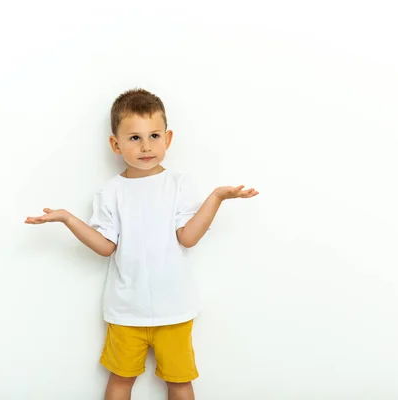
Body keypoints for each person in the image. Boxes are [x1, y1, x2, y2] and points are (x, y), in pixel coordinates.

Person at [25, 88, 258, 400]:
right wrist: (69, 219)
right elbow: (106, 246)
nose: (146, 146)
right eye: (134, 138)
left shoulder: (179, 184)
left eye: (154, 136)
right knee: (120, 381)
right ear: (115, 144)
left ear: (168, 139)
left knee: (179, 382)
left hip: (174, 311)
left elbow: (188, 237)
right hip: (125, 312)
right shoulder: (110, 192)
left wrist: (216, 198)